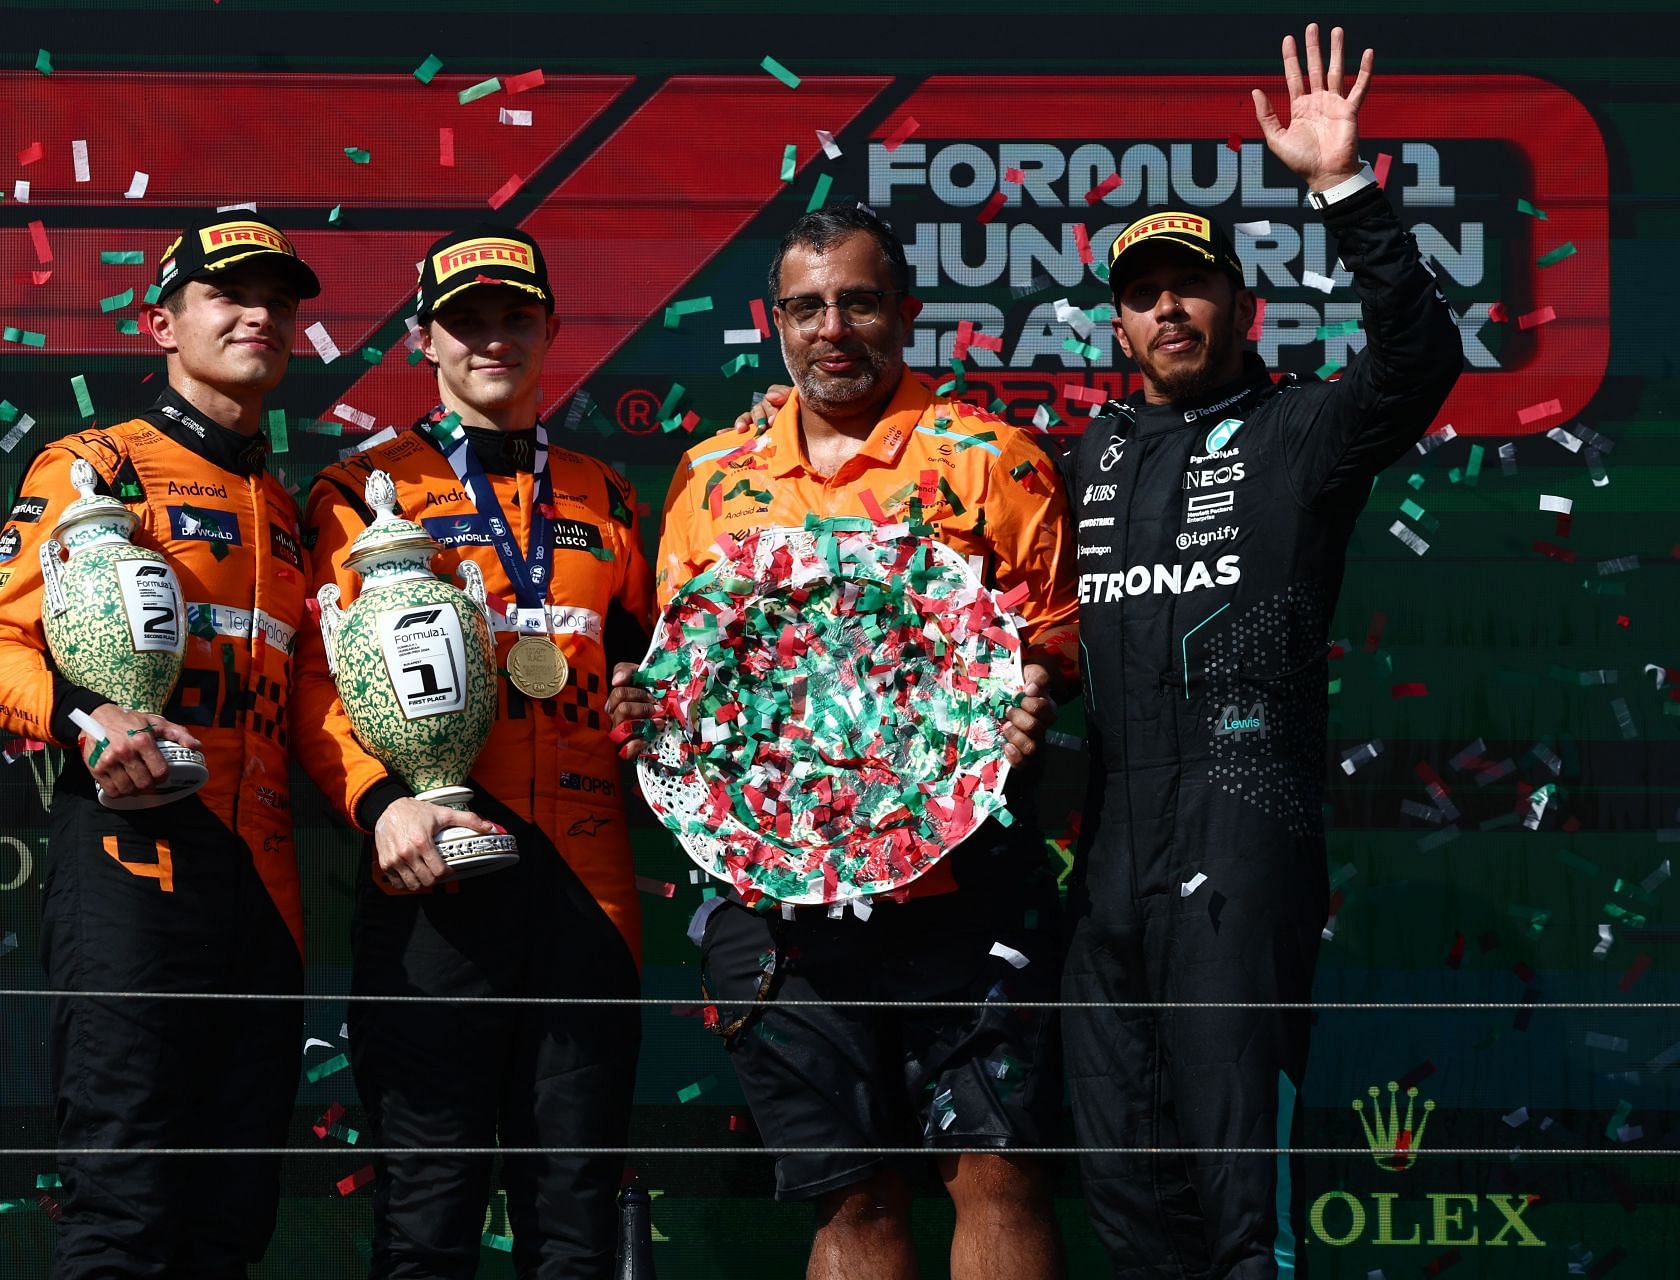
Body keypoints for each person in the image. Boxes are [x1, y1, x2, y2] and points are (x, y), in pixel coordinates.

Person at [1059, 26, 1464, 1279]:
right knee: (1125, 1203)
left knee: (1244, 1215)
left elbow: (1419, 360)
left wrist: (1343, 189)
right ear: (1118, 325)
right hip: (1105, 859)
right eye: (1141, 293)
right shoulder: (1079, 458)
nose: (1167, 307)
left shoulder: (1302, 431)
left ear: (1244, 304)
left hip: (1246, 827)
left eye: (1190, 285)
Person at [610, 203, 1079, 1280]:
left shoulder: (993, 461)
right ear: (772, 320)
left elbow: (1056, 643)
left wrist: (1034, 693)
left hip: (967, 882)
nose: (834, 327)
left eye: (859, 301)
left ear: (905, 311)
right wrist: (646, 710)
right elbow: (684, 670)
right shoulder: (707, 475)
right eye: (808, 306)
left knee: (997, 1173)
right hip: (772, 899)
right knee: (851, 1195)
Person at [0, 212, 320, 1276]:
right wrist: (87, 713)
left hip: (264, 889)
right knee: (126, 1209)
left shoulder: (288, 510)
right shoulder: (94, 464)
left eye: (279, 299)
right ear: (161, 320)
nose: (260, 314)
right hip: (132, 863)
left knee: (230, 1222)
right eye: (228, 295)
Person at [293, 224, 656, 1280]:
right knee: (429, 1218)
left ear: (550, 330)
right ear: (424, 340)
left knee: (576, 1222)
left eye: (514, 317)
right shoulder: (361, 490)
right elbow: (318, 684)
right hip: (434, 875)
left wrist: (650, 700)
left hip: (589, 891)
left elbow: (665, 662)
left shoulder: (605, 493)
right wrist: (376, 806)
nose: (493, 338)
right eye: (467, 321)